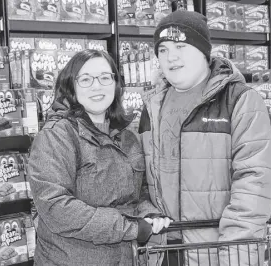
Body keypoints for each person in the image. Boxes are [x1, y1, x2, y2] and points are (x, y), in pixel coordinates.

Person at [139, 10, 271, 265]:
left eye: (181, 46)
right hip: (163, 254)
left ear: (203, 51)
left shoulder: (239, 100)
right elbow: (141, 183)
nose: (172, 57)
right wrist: (149, 215)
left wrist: (235, 258)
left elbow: (253, 190)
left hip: (217, 254)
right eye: (163, 49)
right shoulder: (151, 107)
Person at [28, 49, 170, 266]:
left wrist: (150, 214)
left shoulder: (128, 136)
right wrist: (130, 228)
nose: (97, 86)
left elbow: (138, 193)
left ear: (116, 84)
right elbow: (56, 208)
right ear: (71, 87)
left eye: (105, 77)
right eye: (85, 79)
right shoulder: (57, 135)